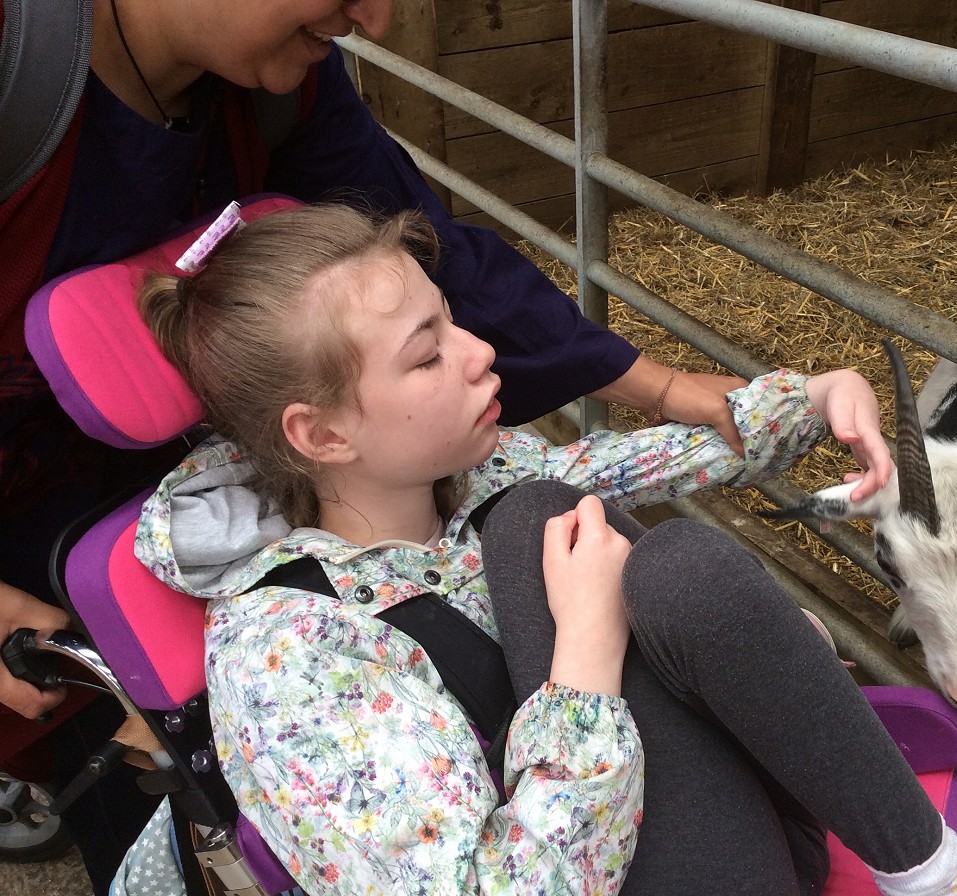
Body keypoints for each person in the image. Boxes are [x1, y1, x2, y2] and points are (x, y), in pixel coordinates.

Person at [0, 2, 744, 887]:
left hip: (216, 477)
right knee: (126, 768)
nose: (378, 22)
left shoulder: (283, 85)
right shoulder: (289, 656)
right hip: (35, 537)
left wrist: (667, 390)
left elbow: (437, 263)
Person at [121, 202, 957, 895]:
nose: (482, 354)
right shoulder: (290, 656)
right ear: (321, 437)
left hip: (713, 834)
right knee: (556, 520)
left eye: (453, 320)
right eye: (427, 355)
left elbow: (632, 461)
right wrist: (587, 662)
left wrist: (812, 399)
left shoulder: (478, 480)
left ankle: (939, 880)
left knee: (588, 529)